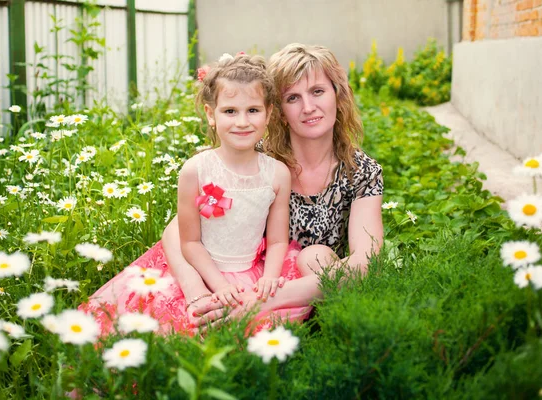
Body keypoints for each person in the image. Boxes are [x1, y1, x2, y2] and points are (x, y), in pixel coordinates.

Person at [81, 53, 310, 334]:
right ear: (210, 114)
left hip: (253, 272)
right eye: (230, 111)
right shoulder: (196, 171)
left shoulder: (276, 173)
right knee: (182, 330)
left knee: (252, 328)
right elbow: (189, 241)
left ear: (269, 114)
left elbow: (277, 241)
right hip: (204, 271)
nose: (242, 122)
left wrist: (270, 279)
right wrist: (220, 285)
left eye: (253, 110)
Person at [162, 43, 384, 327]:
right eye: (292, 98)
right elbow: (180, 227)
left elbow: (366, 262)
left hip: (301, 284)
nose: (308, 107)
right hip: (242, 275)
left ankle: (320, 327)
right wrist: (196, 290)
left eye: (318, 91)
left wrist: (261, 300)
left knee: (315, 258)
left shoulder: (361, 171)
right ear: (277, 111)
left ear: (338, 96)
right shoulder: (256, 158)